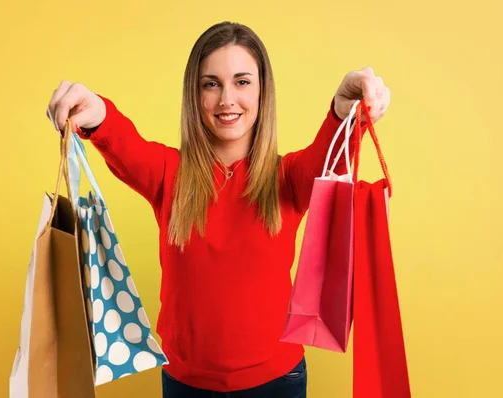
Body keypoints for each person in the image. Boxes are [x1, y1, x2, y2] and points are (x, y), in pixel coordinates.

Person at [47, 21, 390, 398]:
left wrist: (343, 113)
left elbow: (328, 158)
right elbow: (125, 143)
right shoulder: (169, 175)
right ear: (195, 95)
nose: (227, 98)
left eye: (242, 82)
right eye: (211, 83)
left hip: (277, 383)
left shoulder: (287, 178)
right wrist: (96, 111)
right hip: (186, 384)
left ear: (263, 92)